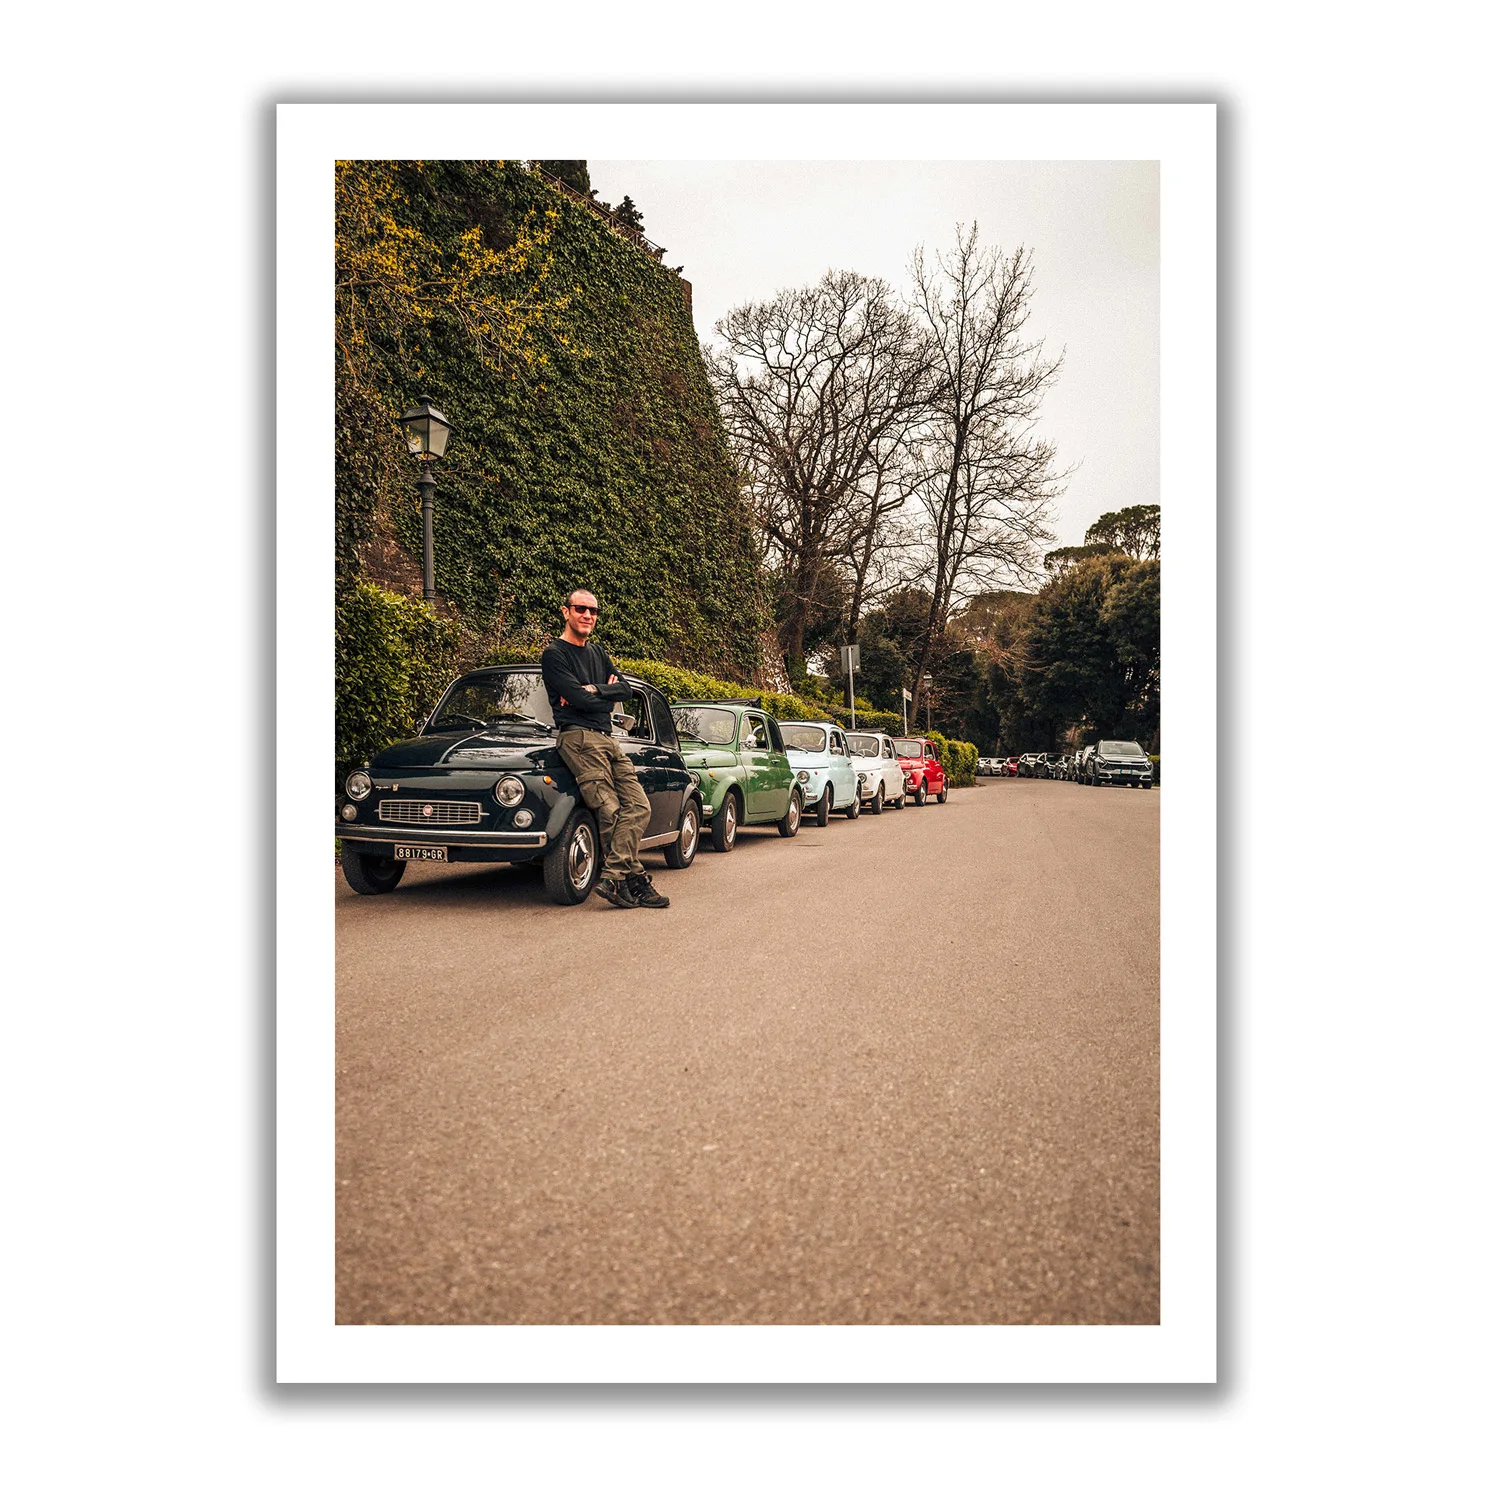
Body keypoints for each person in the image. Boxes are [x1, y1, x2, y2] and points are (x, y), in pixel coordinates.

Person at [540, 588, 669, 909]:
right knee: (610, 811)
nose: (588, 615)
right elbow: (578, 699)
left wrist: (595, 690)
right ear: (566, 612)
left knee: (639, 806)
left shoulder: (598, 653)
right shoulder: (555, 654)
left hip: (609, 738)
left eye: (593, 611)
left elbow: (624, 689)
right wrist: (598, 696)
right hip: (579, 738)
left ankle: (614, 879)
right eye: (580, 609)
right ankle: (633, 883)